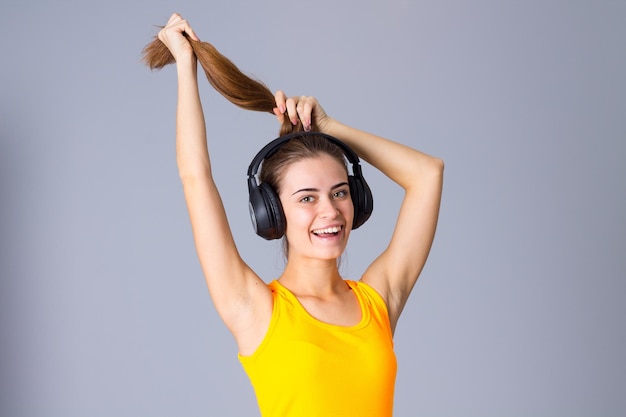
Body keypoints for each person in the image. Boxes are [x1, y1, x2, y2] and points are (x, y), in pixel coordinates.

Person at [144, 13, 444, 417]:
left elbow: (428, 174)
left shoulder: (378, 301)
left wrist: (332, 128)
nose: (330, 211)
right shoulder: (256, 309)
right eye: (306, 198)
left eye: (339, 192)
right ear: (272, 211)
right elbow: (195, 177)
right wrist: (186, 66)